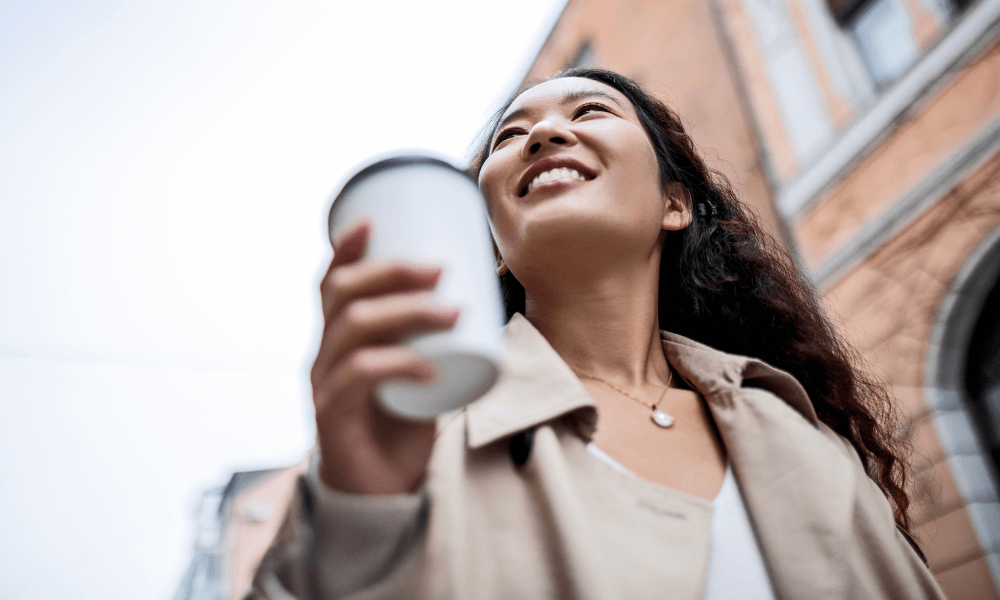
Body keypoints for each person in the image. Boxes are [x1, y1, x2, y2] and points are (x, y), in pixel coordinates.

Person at [248, 68, 946, 599]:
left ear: (674, 205)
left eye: (590, 112)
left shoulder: (801, 433)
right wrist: (356, 518)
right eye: (511, 136)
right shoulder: (412, 445)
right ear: (490, 241)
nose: (545, 136)